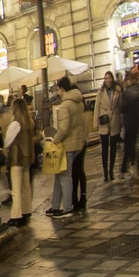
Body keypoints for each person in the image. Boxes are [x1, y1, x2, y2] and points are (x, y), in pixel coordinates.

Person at [48, 77, 87, 217]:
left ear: (62, 89)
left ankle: (67, 207)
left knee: (64, 176)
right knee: (59, 175)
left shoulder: (65, 106)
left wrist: (55, 140)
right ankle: (55, 205)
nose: (57, 92)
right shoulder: (79, 102)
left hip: (67, 145)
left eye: (58, 89)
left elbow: (64, 129)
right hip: (77, 144)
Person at [0, 97, 36, 225]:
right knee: (26, 187)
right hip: (27, 158)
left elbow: (8, 142)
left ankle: (16, 216)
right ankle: (27, 211)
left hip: (17, 159)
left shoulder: (15, 124)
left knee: (16, 190)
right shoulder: (30, 122)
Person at [119, 67, 139, 178]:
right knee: (136, 145)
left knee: (129, 146)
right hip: (138, 120)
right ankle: (135, 168)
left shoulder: (126, 92)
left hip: (129, 122)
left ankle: (132, 167)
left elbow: (122, 108)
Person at [95, 70, 121, 182]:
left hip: (114, 121)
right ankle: (105, 172)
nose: (107, 80)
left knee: (113, 148)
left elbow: (120, 106)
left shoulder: (117, 90)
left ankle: (111, 171)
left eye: (109, 78)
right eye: (105, 78)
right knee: (104, 148)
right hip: (104, 121)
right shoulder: (101, 92)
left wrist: (121, 121)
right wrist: (95, 123)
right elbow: (96, 107)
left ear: (112, 79)